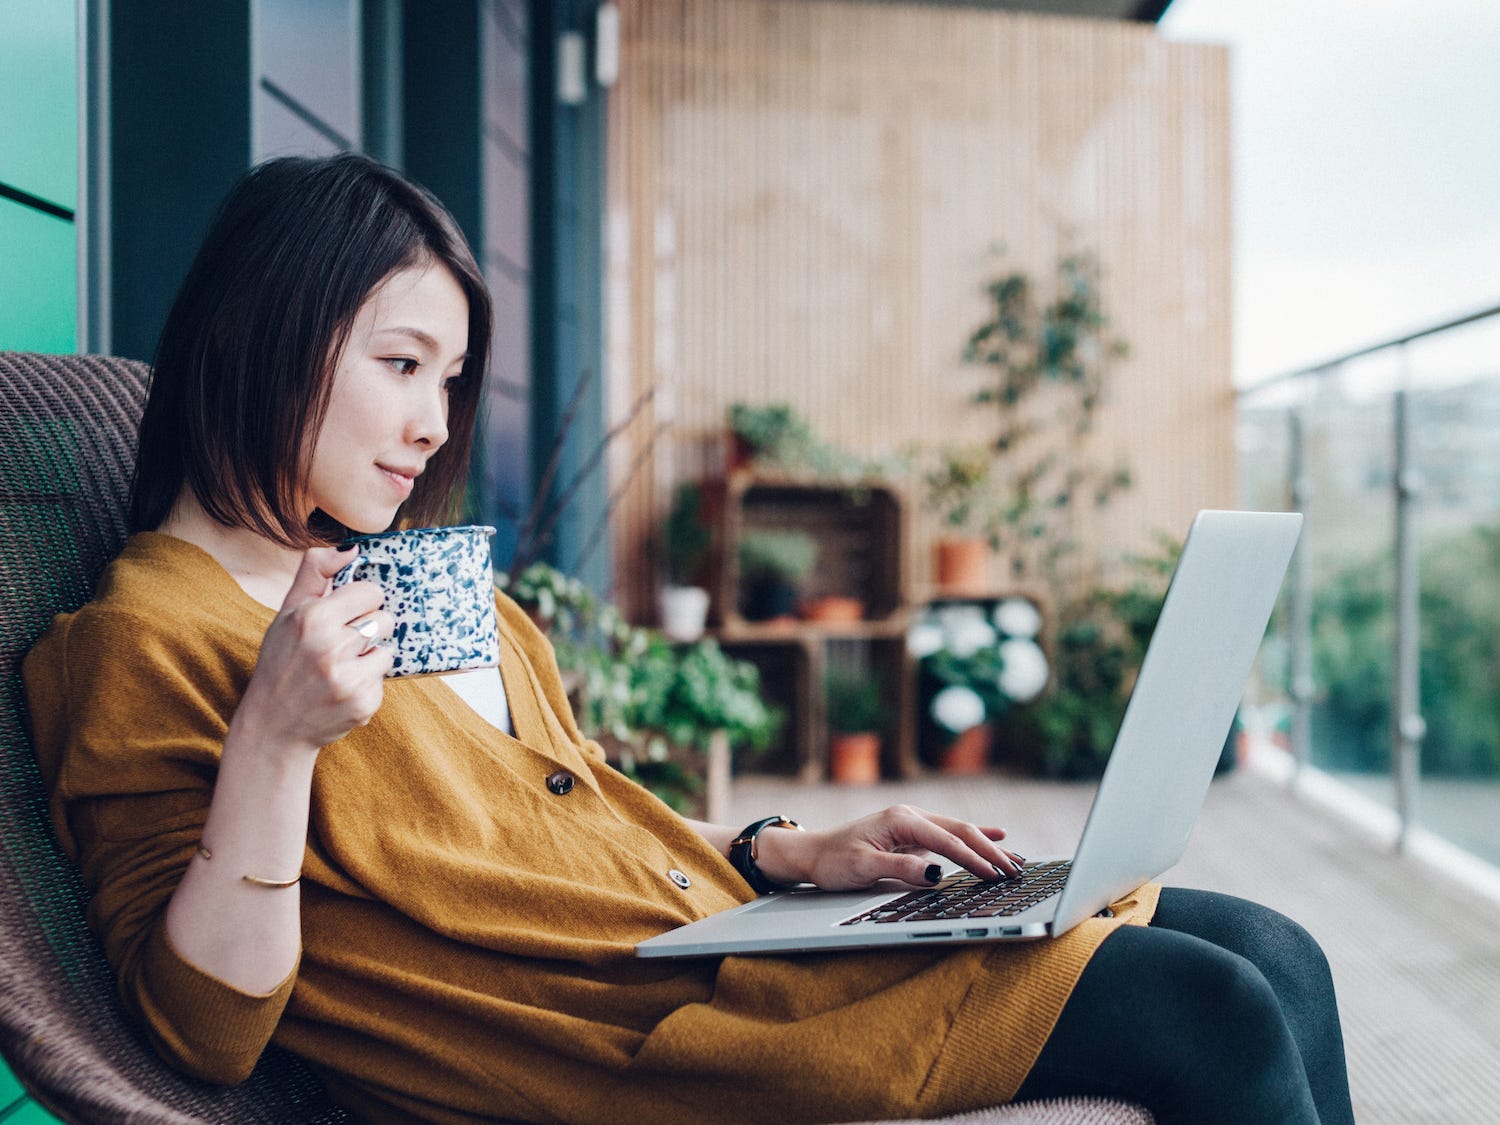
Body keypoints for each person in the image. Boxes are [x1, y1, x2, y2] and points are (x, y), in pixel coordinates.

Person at [22, 154, 1355, 1125]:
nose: (435, 421)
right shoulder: (145, 633)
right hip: (636, 1045)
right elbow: (199, 1029)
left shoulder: (405, 579)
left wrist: (793, 853)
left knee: (1278, 950)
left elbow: (556, 827)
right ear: (265, 333)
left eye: (450, 377)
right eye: (401, 362)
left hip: (731, 937)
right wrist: (273, 741)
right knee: (1214, 1008)